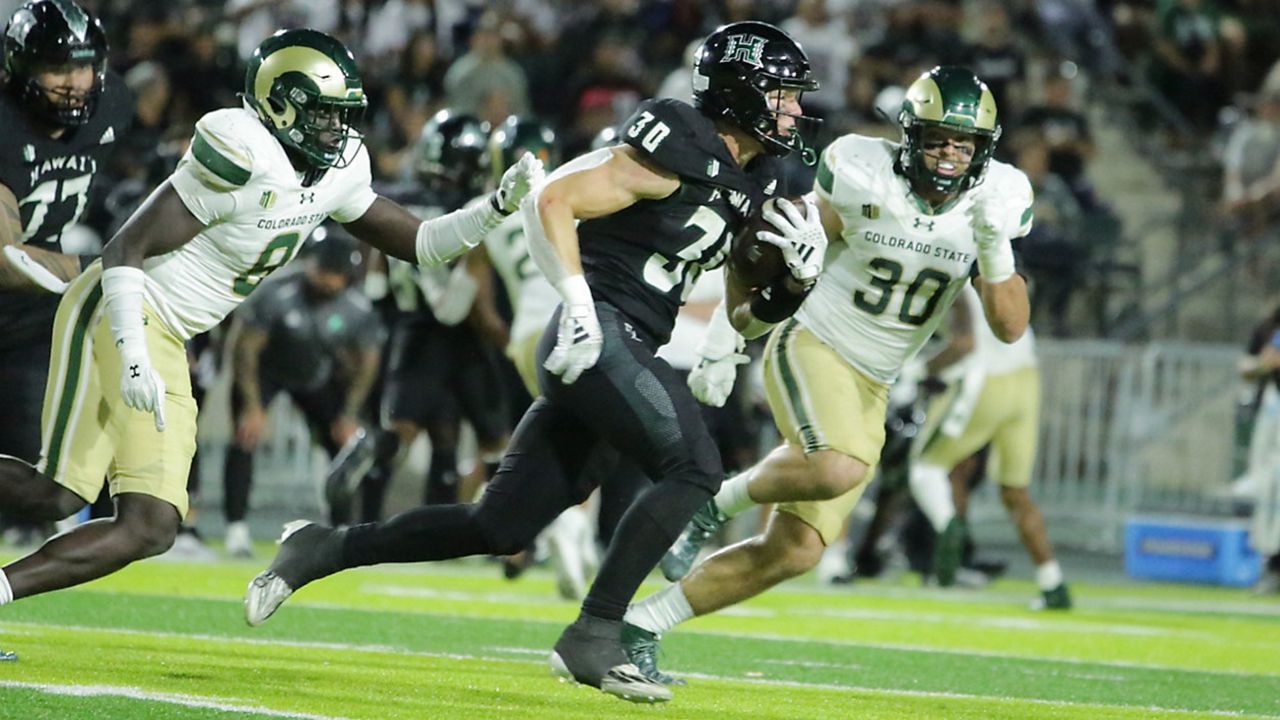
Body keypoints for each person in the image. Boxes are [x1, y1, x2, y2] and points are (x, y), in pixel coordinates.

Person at [244, 21, 822, 704]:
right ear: (738, 91)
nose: (791, 107)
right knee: (694, 468)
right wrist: (578, 304)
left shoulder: (759, 176)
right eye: (780, 92)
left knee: (499, 525)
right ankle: (597, 632)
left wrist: (791, 287)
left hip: (630, 343)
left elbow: (746, 301)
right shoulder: (681, 141)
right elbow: (556, 201)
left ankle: (321, 547)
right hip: (597, 334)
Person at [0, 28, 542, 622]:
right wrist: (133, 355)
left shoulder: (336, 170)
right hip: (125, 307)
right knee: (150, 523)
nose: (337, 131)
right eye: (324, 115)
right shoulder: (241, 150)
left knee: (58, 495)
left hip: (163, 326)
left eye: (343, 116)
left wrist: (494, 208)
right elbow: (126, 249)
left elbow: (419, 242)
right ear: (280, 104)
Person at [628, 65, 1033, 684]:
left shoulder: (997, 199)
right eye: (935, 141)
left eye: (964, 143)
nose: (949, 156)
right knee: (835, 464)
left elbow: (1009, 326)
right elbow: (773, 247)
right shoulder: (860, 170)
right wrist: (724, 342)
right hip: (816, 338)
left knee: (796, 552)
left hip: (879, 378)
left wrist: (995, 248)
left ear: (984, 147)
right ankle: (712, 505)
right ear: (909, 138)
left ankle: (639, 626)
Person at [0, 0, 132, 560]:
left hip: (34, 316)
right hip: (28, 284)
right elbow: (5, 258)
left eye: (82, 66)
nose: (75, 82)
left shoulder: (115, 104)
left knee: (46, 487)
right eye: (57, 68)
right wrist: (108, 267)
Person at [907, 284, 1071, 608]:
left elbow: (965, 344)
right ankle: (1053, 583)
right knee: (1015, 491)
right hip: (1026, 380)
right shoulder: (1005, 265)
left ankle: (947, 527)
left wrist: (918, 371)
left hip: (986, 379)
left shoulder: (961, 270)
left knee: (926, 468)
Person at [222, 230, 384, 557]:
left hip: (316, 376)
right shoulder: (276, 292)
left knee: (346, 446)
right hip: (265, 373)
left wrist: (349, 413)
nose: (330, 281)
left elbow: (368, 363)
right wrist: (253, 405)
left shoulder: (357, 307)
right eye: (325, 271)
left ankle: (342, 530)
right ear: (310, 264)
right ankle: (235, 528)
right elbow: (245, 351)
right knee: (245, 435)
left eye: (338, 275)